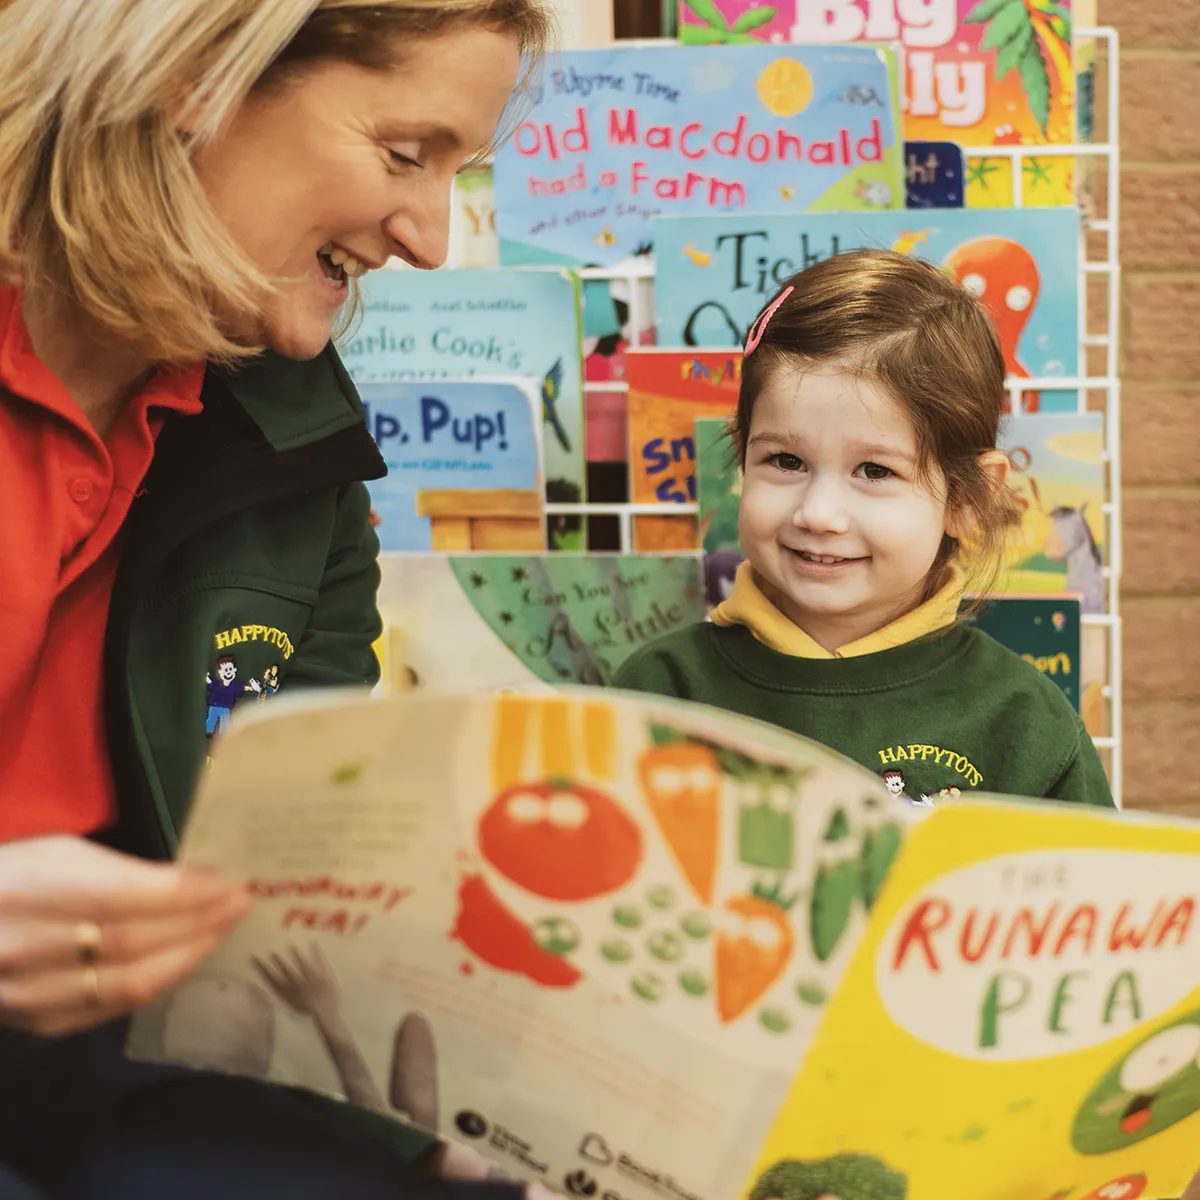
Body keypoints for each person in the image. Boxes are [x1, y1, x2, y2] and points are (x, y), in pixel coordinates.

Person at [0, 0, 552, 1195]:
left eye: (459, 171)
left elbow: (300, 887)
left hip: (137, 1054)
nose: (431, 236)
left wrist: (456, 1118)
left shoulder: (301, 450)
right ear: (195, 73)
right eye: (407, 154)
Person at [614, 250, 1114, 809]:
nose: (819, 514)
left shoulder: (1026, 724)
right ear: (741, 453)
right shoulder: (658, 692)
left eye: (875, 471)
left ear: (969, 496)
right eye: (785, 461)